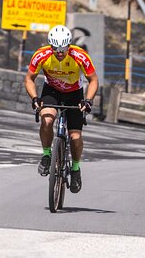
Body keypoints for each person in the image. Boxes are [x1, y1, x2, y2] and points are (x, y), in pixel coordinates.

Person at [24, 24, 99, 194]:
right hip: (52, 91)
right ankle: (46, 155)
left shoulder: (80, 56)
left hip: (74, 93)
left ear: (68, 45)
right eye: (55, 48)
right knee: (47, 119)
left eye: (63, 48)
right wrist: (35, 98)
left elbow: (93, 80)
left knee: (75, 136)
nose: (59, 52)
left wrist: (88, 100)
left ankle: (75, 168)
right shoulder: (41, 55)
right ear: (50, 45)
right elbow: (29, 78)